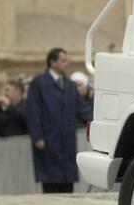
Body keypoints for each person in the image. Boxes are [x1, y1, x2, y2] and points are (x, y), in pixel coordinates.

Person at [25, 48, 93, 193]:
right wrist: (37, 136)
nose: (66, 64)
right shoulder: (39, 83)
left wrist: (97, 119)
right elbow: (33, 111)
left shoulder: (69, 85)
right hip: (48, 139)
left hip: (66, 140)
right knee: (51, 182)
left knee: (67, 183)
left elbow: (83, 110)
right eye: (63, 60)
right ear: (53, 62)